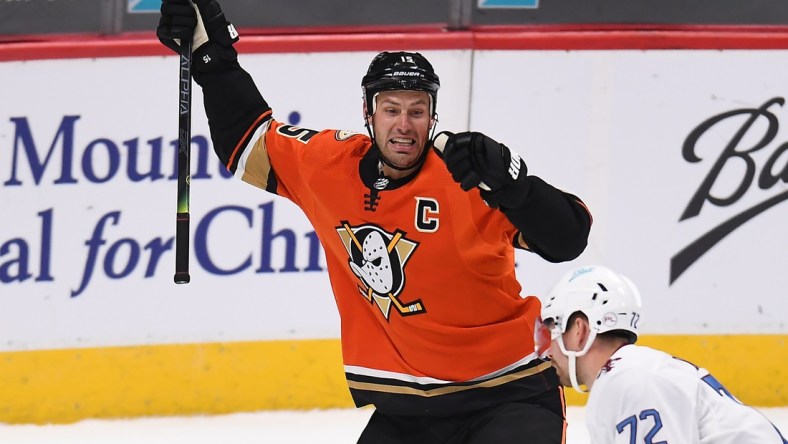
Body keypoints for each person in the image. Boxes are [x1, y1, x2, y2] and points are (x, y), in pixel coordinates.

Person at [156, 1, 592, 442]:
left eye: (417, 111)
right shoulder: (328, 166)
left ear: (433, 115)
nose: (404, 125)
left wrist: (516, 185)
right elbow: (247, 139)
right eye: (391, 109)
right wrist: (211, 57)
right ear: (368, 113)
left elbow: (569, 238)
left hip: (509, 394)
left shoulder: (468, 175)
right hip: (409, 411)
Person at [539, 265, 787, 443]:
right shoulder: (629, 374)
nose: (548, 350)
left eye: (553, 327)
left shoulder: (628, 381)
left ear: (580, 329)